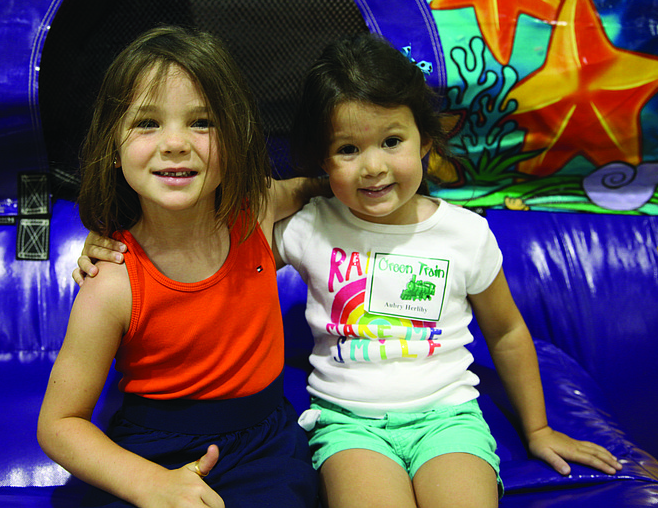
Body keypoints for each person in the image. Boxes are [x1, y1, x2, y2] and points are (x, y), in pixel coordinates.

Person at [79, 32, 625, 508]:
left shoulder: (465, 234)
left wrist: (536, 428)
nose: (373, 166)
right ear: (323, 160)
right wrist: (105, 239)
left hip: (448, 419)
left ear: (426, 142)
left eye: (391, 142)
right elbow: (197, 235)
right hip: (348, 424)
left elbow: (506, 331)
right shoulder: (306, 227)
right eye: (347, 149)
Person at [38, 25, 320, 508]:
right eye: (147, 123)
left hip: (265, 449)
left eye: (202, 123)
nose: (175, 143)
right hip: (154, 452)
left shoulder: (255, 210)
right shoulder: (112, 281)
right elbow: (59, 425)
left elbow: (310, 186)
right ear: (113, 144)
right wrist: (150, 484)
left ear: (236, 136)